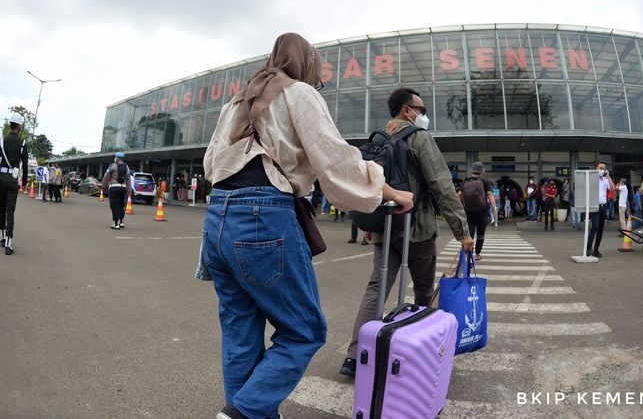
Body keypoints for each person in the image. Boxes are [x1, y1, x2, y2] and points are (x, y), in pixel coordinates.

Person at [195, 33, 413, 419]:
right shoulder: (299, 93)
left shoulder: (236, 102)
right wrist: (389, 191)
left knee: (240, 332)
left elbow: (212, 164)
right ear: (305, 63)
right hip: (263, 216)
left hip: (218, 216)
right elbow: (335, 159)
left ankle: (251, 412)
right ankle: (243, 413)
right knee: (304, 331)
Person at [341, 86, 473, 379]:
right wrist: (462, 231)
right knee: (424, 291)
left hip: (386, 228)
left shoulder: (378, 139)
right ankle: (417, 353)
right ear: (407, 111)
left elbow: (366, 185)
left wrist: (367, 225)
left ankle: (355, 356)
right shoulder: (419, 137)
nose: (423, 115)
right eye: (421, 110)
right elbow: (442, 185)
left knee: (376, 290)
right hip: (418, 228)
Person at [0, 112, 28, 254]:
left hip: (2, 179)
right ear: (18, 126)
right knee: (10, 210)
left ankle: (2, 236)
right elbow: (26, 164)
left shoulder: (2, 141)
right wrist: (24, 183)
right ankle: (9, 244)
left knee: (2, 207)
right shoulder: (22, 143)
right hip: (12, 180)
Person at [459, 161, 495, 260]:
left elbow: (459, 194)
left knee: (469, 234)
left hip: (469, 212)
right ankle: (477, 254)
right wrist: (494, 208)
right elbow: (490, 194)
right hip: (482, 212)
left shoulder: (466, 180)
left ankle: (468, 254)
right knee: (480, 234)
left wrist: (461, 206)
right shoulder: (485, 181)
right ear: (482, 172)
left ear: (472, 171)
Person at [585, 163, 615, 258]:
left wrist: (608, 176)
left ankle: (596, 250)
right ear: (596, 168)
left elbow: (612, 188)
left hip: (604, 206)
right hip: (594, 205)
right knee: (595, 227)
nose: (602, 169)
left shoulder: (606, 179)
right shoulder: (592, 178)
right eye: (600, 168)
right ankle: (588, 248)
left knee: (601, 229)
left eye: (603, 168)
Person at [101, 152, 132, 230]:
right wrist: (129, 190)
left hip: (114, 188)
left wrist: (102, 186)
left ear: (116, 157)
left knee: (114, 205)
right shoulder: (127, 167)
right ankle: (121, 222)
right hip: (123, 189)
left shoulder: (112, 166)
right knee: (121, 205)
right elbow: (128, 179)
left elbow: (106, 176)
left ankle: (115, 224)